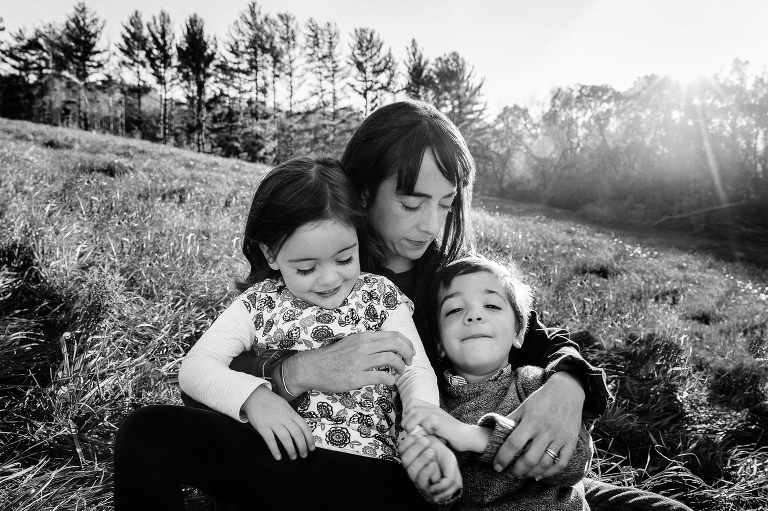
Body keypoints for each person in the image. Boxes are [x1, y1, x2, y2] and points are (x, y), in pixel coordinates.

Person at [218, 100, 692, 510]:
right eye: (411, 203)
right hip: (401, 482)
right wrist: (295, 371)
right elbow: (219, 367)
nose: (429, 225)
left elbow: (541, 339)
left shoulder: (448, 276)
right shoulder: (318, 272)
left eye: (445, 204)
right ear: (363, 192)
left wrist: (568, 387)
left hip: (510, 472)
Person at [114, 155, 456, 510]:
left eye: (343, 259)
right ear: (271, 254)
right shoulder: (259, 302)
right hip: (276, 459)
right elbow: (197, 367)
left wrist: (421, 429)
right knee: (145, 432)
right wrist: (255, 399)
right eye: (306, 268)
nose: (329, 279)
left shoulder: (379, 295)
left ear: (358, 235)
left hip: (365, 471)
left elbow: (414, 369)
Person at [399, 256, 593, 510]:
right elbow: (438, 496)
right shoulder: (432, 406)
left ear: (519, 332)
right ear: (439, 345)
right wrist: (439, 488)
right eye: (455, 309)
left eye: (491, 305)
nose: (474, 315)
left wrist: (473, 437)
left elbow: (575, 462)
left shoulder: (536, 385)